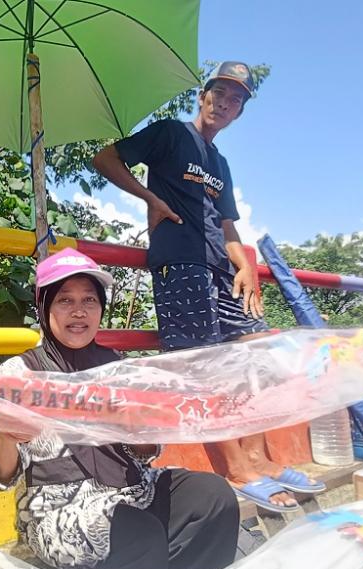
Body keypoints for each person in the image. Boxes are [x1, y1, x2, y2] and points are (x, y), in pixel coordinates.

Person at [91, 61, 322, 512]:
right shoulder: (171, 135)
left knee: (255, 360)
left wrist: (247, 267)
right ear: (203, 95)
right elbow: (104, 158)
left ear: (240, 112)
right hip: (181, 263)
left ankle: (260, 458)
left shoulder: (220, 163)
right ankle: (236, 469)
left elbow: (228, 225)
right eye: (220, 92)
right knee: (203, 371)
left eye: (236, 99)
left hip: (221, 269)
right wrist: (150, 198)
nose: (225, 102)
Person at [0, 248, 239, 569]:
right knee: (138, 536)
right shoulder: (20, 374)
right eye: (65, 300)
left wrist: (136, 427)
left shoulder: (118, 367)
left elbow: (145, 453)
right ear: (44, 308)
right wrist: (7, 435)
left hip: (133, 494)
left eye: (89, 300)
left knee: (214, 497)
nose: (79, 312)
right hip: (59, 512)